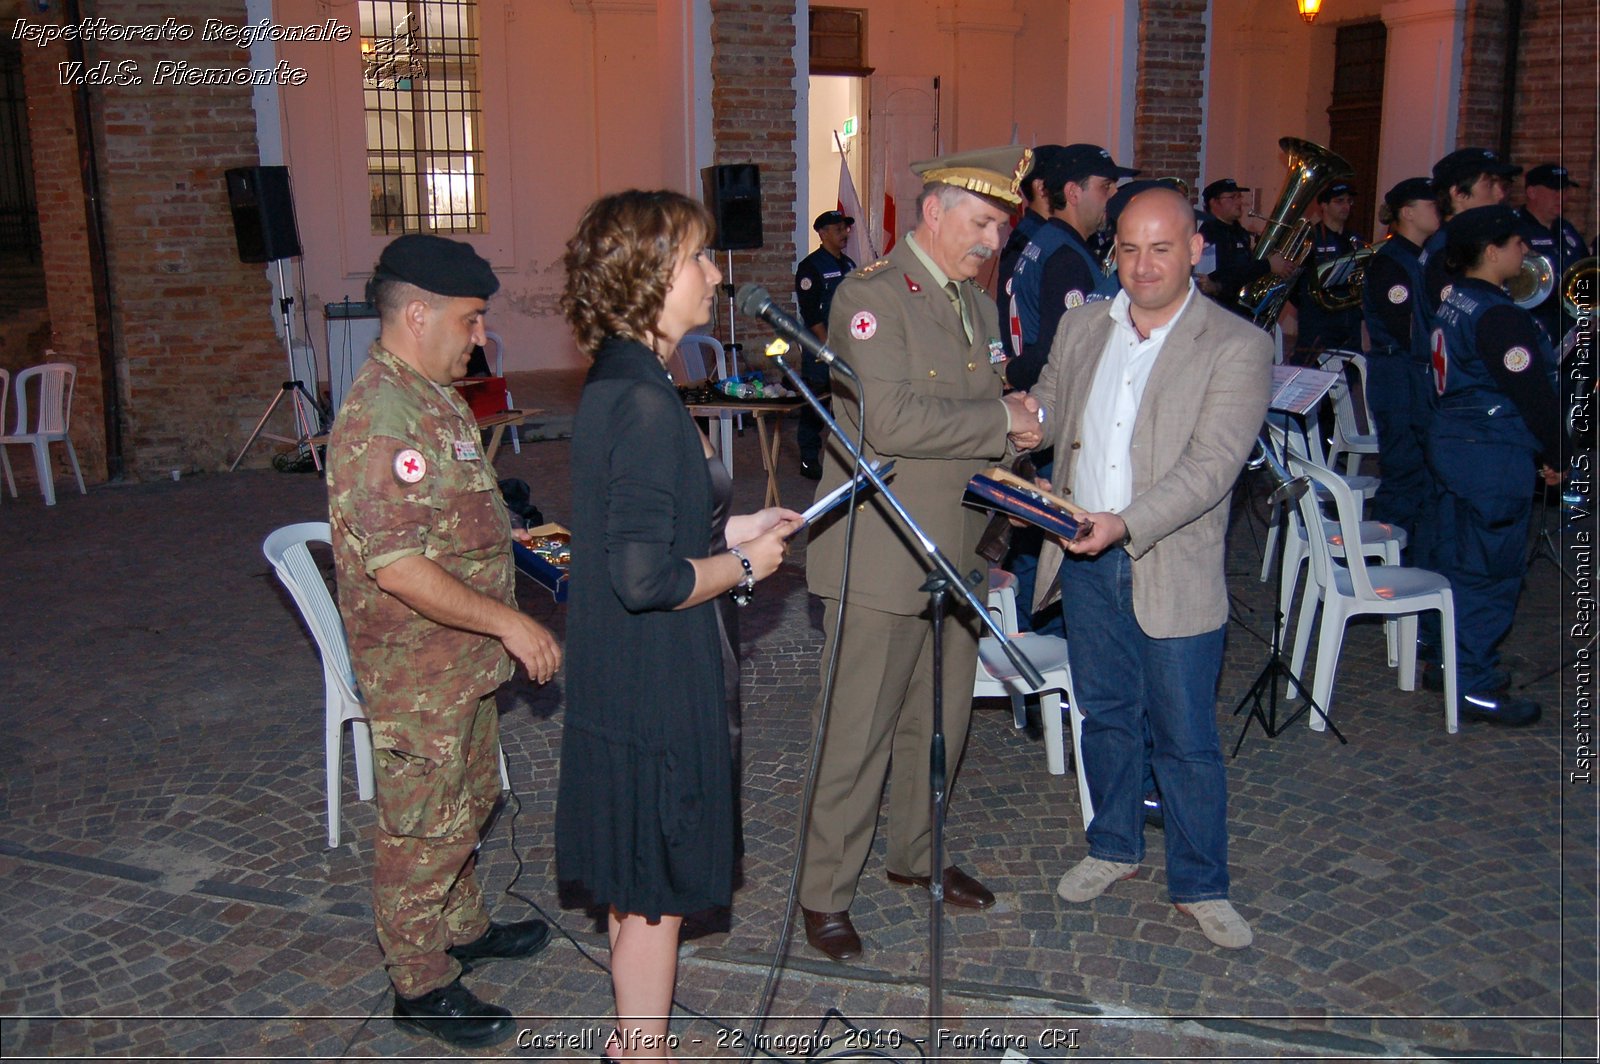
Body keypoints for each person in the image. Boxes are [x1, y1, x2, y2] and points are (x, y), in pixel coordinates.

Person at [555, 190, 801, 1056]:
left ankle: (633, 1045)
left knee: (635, 880)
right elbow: (641, 575)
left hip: (630, 673)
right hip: (655, 681)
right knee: (653, 885)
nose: (713, 275)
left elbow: (645, 528)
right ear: (649, 277)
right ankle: (645, 1052)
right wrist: (743, 568)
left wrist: (736, 527)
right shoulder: (644, 400)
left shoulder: (628, 378)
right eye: (697, 259)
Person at [800, 145, 1044, 962]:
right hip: (879, 554)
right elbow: (891, 422)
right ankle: (824, 892)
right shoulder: (871, 298)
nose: (992, 241)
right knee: (859, 729)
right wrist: (1003, 422)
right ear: (934, 214)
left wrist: (1016, 480)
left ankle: (916, 858)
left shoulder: (974, 307)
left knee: (937, 726)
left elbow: (990, 416)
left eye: (1002, 227)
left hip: (956, 552)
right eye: (980, 222)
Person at [327, 235, 564, 1050]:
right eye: (469, 320)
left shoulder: (430, 394)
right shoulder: (382, 413)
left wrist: (517, 524)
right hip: (416, 668)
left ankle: (462, 926)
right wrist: (510, 620)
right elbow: (397, 566)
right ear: (417, 313)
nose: (479, 337)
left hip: (456, 662)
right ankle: (418, 979)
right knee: (421, 825)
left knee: (467, 801)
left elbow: (455, 509)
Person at [1029, 186, 1270, 950]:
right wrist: (994, 438)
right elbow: (1045, 409)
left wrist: (1123, 524)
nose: (1143, 265)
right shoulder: (1080, 326)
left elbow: (1211, 469)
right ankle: (1113, 846)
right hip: (1082, 558)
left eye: (1161, 248)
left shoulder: (1237, 344)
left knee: (1187, 737)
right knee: (1106, 717)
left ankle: (1203, 882)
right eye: (1129, 248)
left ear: (1195, 249)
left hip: (1168, 565)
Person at [1428, 204, 1570, 726]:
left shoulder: (1454, 300)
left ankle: (1452, 663)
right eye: (1517, 243)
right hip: (1490, 452)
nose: (1526, 251)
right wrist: (1559, 454)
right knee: (1491, 571)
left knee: (1459, 561)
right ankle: (1474, 685)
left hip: (1456, 443)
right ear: (1492, 252)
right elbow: (1531, 392)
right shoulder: (1498, 315)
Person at [1005, 143, 1138, 391]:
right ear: (1073, 193)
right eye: (1105, 187)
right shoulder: (1066, 258)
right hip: (1050, 396)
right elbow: (1061, 348)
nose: (1114, 196)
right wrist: (1011, 373)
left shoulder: (1047, 240)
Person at [1360, 177, 1442, 565]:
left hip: (1412, 374)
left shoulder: (1422, 257)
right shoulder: (1392, 262)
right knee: (1403, 471)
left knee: (1418, 473)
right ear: (1408, 213)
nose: (1438, 210)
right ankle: (1383, 563)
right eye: (1431, 204)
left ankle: (1409, 557)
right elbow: (1404, 323)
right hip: (1398, 374)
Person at [795, 209, 859, 480]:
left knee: (847, 403)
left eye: (845, 228)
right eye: (837, 229)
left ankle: (847, 459)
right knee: (816, 403)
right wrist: (827, 347)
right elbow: (811, 314)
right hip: (821, 349)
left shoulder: (850, 266)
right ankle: (809, 458)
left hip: (848, 347)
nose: (844, 234)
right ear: (822, 234)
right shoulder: (811, 268)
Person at [1420, 148, 1521, 312]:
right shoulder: (1449, 252)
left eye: (1500, 184)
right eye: (1489, 184)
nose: (1500, 194)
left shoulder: (1454, 242)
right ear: (1458, 193)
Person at [995, 143, 1066, 358]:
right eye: (1063, 178)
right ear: (1040, 187)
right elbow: (1011, 316)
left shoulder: (1047, 236)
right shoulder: (1028, 242)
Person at [1515, 163, 1592, 345]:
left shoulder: (1567, 230)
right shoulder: (1515, 229)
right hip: (1531, 330)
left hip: (1570, 333)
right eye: (1554, 190)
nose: (1561, 196)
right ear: (1532, 192)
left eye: (1564, 190)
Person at [1197, 177, 1292, 319]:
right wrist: (1267, 265)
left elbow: (1246, 268)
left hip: (1241, 312)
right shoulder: (1210, 233)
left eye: (1239, 196)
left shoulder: (1240, 232)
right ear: (1214, 202)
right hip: (1221, 313)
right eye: (1232, 197)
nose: (1239, 202)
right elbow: (1222, 275)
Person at [1291, 180, 1366, 359]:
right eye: (1339, 201)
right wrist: (1311, 306)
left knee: (1347, 379)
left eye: (1349, 201)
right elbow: (1293, 283)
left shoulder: (1355, 239)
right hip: (1319, 324)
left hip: (1349, 323)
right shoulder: (1310, 239)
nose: (1346, 206)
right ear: (1323, 206)